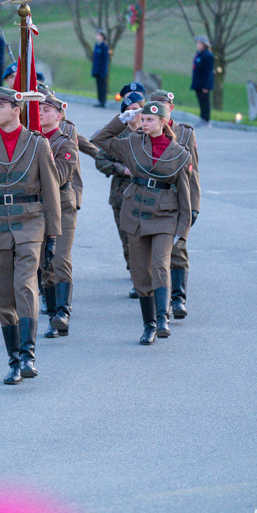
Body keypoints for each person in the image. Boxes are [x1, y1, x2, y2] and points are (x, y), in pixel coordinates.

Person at [0, 87, 61, 385]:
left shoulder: (37, 145)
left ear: (15, 110)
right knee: (3, 295)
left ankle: (28, 354)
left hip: (30, 222)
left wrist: (53, 235)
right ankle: (14, 359)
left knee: (24, 286)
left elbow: (51, 191)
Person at [92, 102, 192, 345]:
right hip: (136, 212)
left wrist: (183, 229)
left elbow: (184, 193)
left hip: (164, 215)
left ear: (164, 122)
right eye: (143, 119)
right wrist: (122, 119)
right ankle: (148, 325)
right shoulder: (133, 143)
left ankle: (162, 319)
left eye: (149, 120)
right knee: (140, 273)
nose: (144, 123)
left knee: (160, 264)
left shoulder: (180, 153)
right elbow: (100, 140)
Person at [148, 90, 200, 319]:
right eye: (155, 104)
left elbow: (194, 172)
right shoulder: (145, 128)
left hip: (177, 198)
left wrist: (194, 204)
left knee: (178, 248)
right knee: (155, 254)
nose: (161, 107)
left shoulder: (185, 133)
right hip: (150, 200)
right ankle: (157, 298)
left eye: (165, 104)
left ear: (171, 107)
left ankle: (178, 298)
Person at [37, 95, 79, 339]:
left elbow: (60, 177)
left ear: (58, 116)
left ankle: (63, 312)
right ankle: (53, 315)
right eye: (38, 109)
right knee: (45, 264)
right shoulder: (31, 140)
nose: (41, 113)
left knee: (60, 257)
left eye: (46, 110)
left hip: (62, 206)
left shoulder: (65, 143)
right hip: (38, 208)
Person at [95, 91, 143, 298]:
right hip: (121, 194)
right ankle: (135, 275)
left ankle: (143, 278)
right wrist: (121, 169)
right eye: (128, 111)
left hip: (145, 195)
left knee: (143, 237)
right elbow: (100, 160)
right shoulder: (117, 136)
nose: (133, 114)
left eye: (136, 110)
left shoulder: (149, 132)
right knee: (128, 239)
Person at [191, 36, 214, 126]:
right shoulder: (199, 54)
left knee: (205, 101)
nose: (198, 45)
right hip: (198, 83)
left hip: (204, 84)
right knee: (200, 101)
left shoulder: (208, 56)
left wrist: (206, 86)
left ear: (204, 44)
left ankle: (206, 119)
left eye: (199, 43)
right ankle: (202, 118)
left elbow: (208, 72)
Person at [91, 30, 109, 108]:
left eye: (98, 35)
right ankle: (99, 100)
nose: (97, 37)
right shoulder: (97, 45)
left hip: (102, 70)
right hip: (97, 70)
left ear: (102, 36)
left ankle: (103, 101)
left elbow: (105, 60)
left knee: (102, 86)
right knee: (98, 85)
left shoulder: (104, 47)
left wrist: (103, 71)